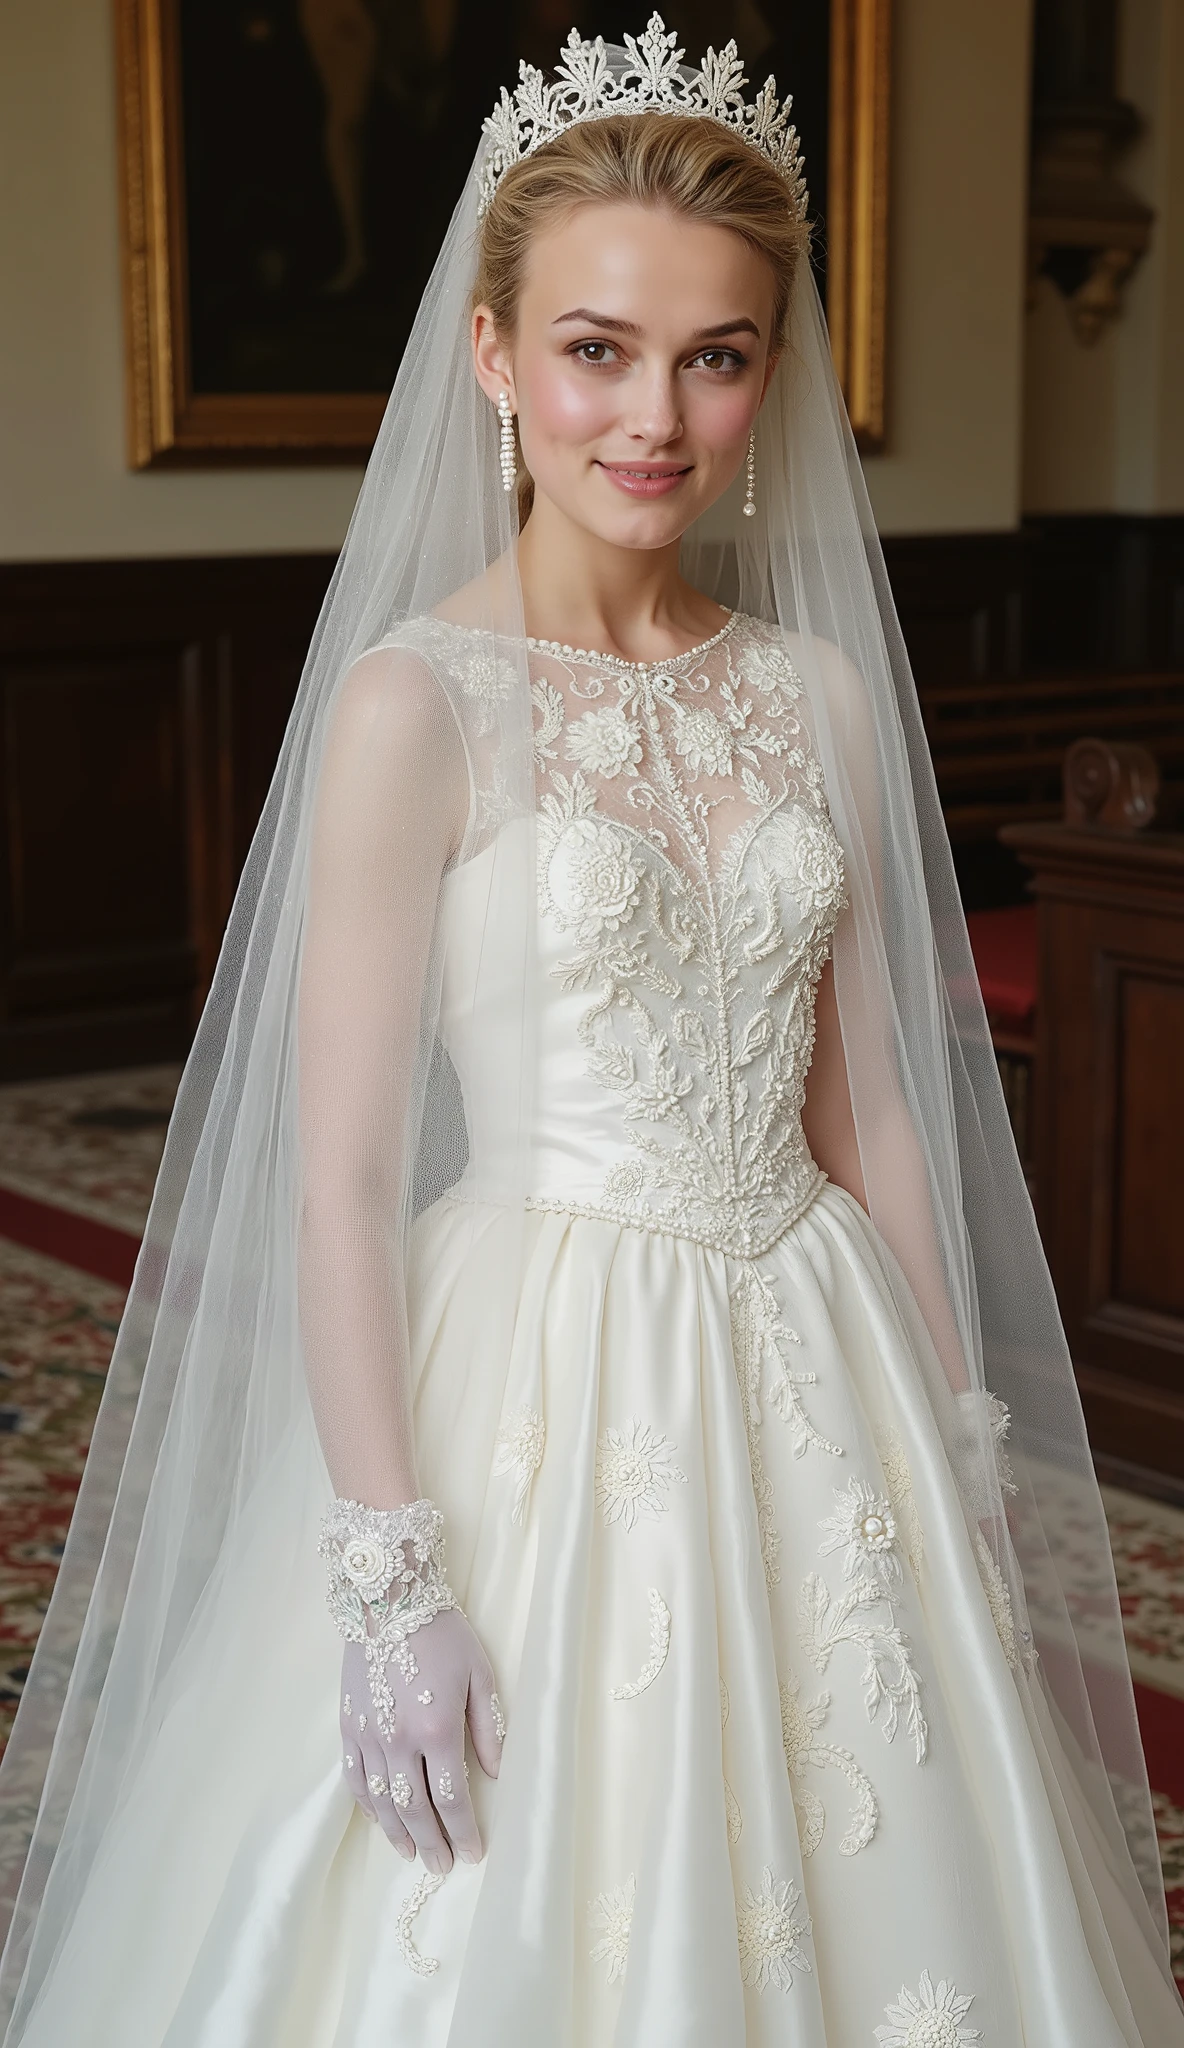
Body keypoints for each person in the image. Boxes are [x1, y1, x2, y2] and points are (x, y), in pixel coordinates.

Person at [0, 17, 1181, 2044]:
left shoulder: (811, 694)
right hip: (533, 1358)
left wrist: (958, 1450)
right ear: (491, 354)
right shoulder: (417, 705)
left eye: (716, 354)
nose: (655, 416)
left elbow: (875, 1107)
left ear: (770, 375)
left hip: (816, 1345)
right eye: (597, 348)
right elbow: (347, 1172)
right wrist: (387, 1581)